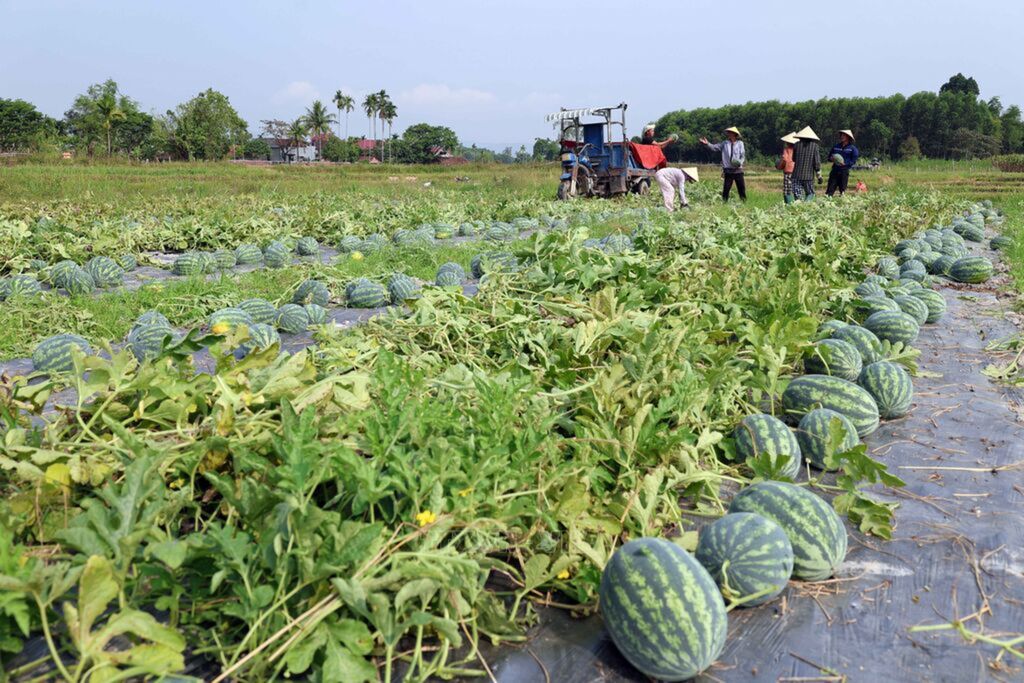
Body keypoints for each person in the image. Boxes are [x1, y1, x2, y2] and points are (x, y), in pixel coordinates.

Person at [700, 126, 745, 201]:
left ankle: (744, 203)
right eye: (728, 132)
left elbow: (742, 156)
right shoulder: (725, 143)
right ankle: (724, 203)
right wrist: (707, 143)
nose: (728, 134)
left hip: (738, 170)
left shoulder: (740, 143)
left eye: (730, 132)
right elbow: (714, 148)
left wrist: (740, 162)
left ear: (734, 134)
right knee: (726, 189)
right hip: (728, 170)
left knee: (741, 188)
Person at [791, 126, 822, 201]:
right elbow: (817, 162)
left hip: (796, 176)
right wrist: (819, 176)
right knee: (810, 193)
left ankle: (798, 209)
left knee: (798, 197)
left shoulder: (796, 145)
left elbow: (793, 159)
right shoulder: (815, 146)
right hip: (808, 177)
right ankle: (806, 206)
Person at [826, 129, 860, 197]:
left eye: (844, 135)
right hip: (835, 169)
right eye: (841, 135)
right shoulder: (836, 147)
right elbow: (829, 157)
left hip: (844, 170)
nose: (842, 136)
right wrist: (831, 159)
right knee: (830, 188)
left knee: (842, 189)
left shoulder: (852, 149)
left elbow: (853, 161)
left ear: (848, 137)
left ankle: (842, 199)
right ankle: (828, 198)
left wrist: (846, 164)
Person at [776, 132, 798, 204]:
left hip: (788, 171)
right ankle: (796, 203)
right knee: (795, 189)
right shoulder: (797, 149)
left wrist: (780, 167)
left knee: (787, 190)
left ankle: (788, 204)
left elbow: (785, 159)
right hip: (796, 171)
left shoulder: (787, 149)